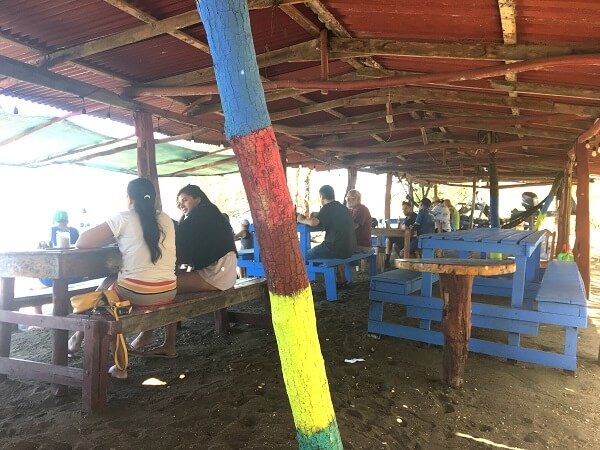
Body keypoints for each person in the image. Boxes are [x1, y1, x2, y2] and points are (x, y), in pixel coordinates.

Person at [68, 177, 177, 379]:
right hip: (168, 291)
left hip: (138, 293)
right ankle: (77, 338)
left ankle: (120, 367)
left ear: (129, 198)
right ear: (152, 198)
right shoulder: (166, 219)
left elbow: (82, 242)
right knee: (109, 285)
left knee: (103, 302)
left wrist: (114, 236)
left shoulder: (123, 218)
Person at [131, 184, 238, 358]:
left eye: (185, 200)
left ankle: (153, 337)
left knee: (163, 285)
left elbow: (178, 235)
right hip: (222, 272)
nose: (180, 205)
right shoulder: (205, 213)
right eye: (178, 202)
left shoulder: (203, 212)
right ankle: (157, 338)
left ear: (198, 198)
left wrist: (157, 218)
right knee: (166, 283)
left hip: (217, 273)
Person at [297, 185, 356, 287]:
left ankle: (299, 284)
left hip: (335, 249)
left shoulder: (328, 208)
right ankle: (341, 279)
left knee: (303, 256)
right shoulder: (343, 208)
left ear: (322, 197)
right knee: (319, 250)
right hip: (349, 249)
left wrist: (301, 219)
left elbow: (313, 222)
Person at [38, 210, 82, 289]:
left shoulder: (51, 230)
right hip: (75, 277)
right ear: (67, 221)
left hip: (52, 279)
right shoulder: (74, 231)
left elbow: (45, 248)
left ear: (53, 221)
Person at [385, 201, 417, 266]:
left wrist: (403, 226)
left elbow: (406, 227)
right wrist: (400, 225)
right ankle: (387, 260)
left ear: (410, 208)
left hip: (411, 239)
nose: (403, 211)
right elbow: (403, 227)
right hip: (403, 237)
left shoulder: (415, 217)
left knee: (392, 242)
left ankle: (400, 262)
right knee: (388, 239)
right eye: (403, 209)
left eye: (405, 208)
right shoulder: (406, 218)